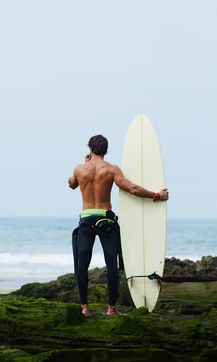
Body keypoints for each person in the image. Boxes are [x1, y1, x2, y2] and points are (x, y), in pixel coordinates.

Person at [68, 134, 169, 316]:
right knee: (111, 264)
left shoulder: (79, 169)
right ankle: (111, 308)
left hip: (85, 220)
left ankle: (84, 307)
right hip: (106, 221)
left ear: (90, 149)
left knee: (82, 265)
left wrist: (84, 163)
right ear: (106, 150)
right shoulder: (111, 170)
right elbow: (133, 188)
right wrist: (156, 196)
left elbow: (71, 185)